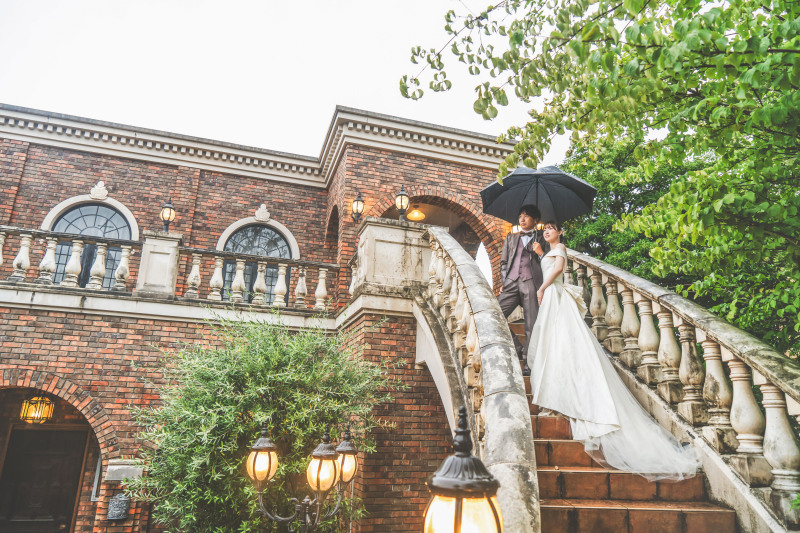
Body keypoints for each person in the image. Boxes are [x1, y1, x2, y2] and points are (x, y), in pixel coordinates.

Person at [527, 221, 700, 480]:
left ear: (560, 232)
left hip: (555, 295)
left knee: (563, 341)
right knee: (555, 343)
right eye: (546, 228)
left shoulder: (561, 247)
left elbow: (559, 268)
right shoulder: (547, 249)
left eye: (552, 228)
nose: (548, 231)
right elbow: (550, 264)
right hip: (553, 298)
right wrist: (541, 254)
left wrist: (542, 286)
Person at [498, 205, 549, 367]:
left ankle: (529, 361)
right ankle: (519, 347)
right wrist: (505, 281)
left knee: (531, 324)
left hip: (531, 283)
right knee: (495, 315)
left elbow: (550, 262)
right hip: (511, 282)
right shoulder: (510, 238)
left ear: (535, 221)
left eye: (526, 216)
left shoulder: (542, 238)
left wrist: (540, 251)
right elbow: (504, 263)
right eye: (520, 215)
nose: (522, 219)